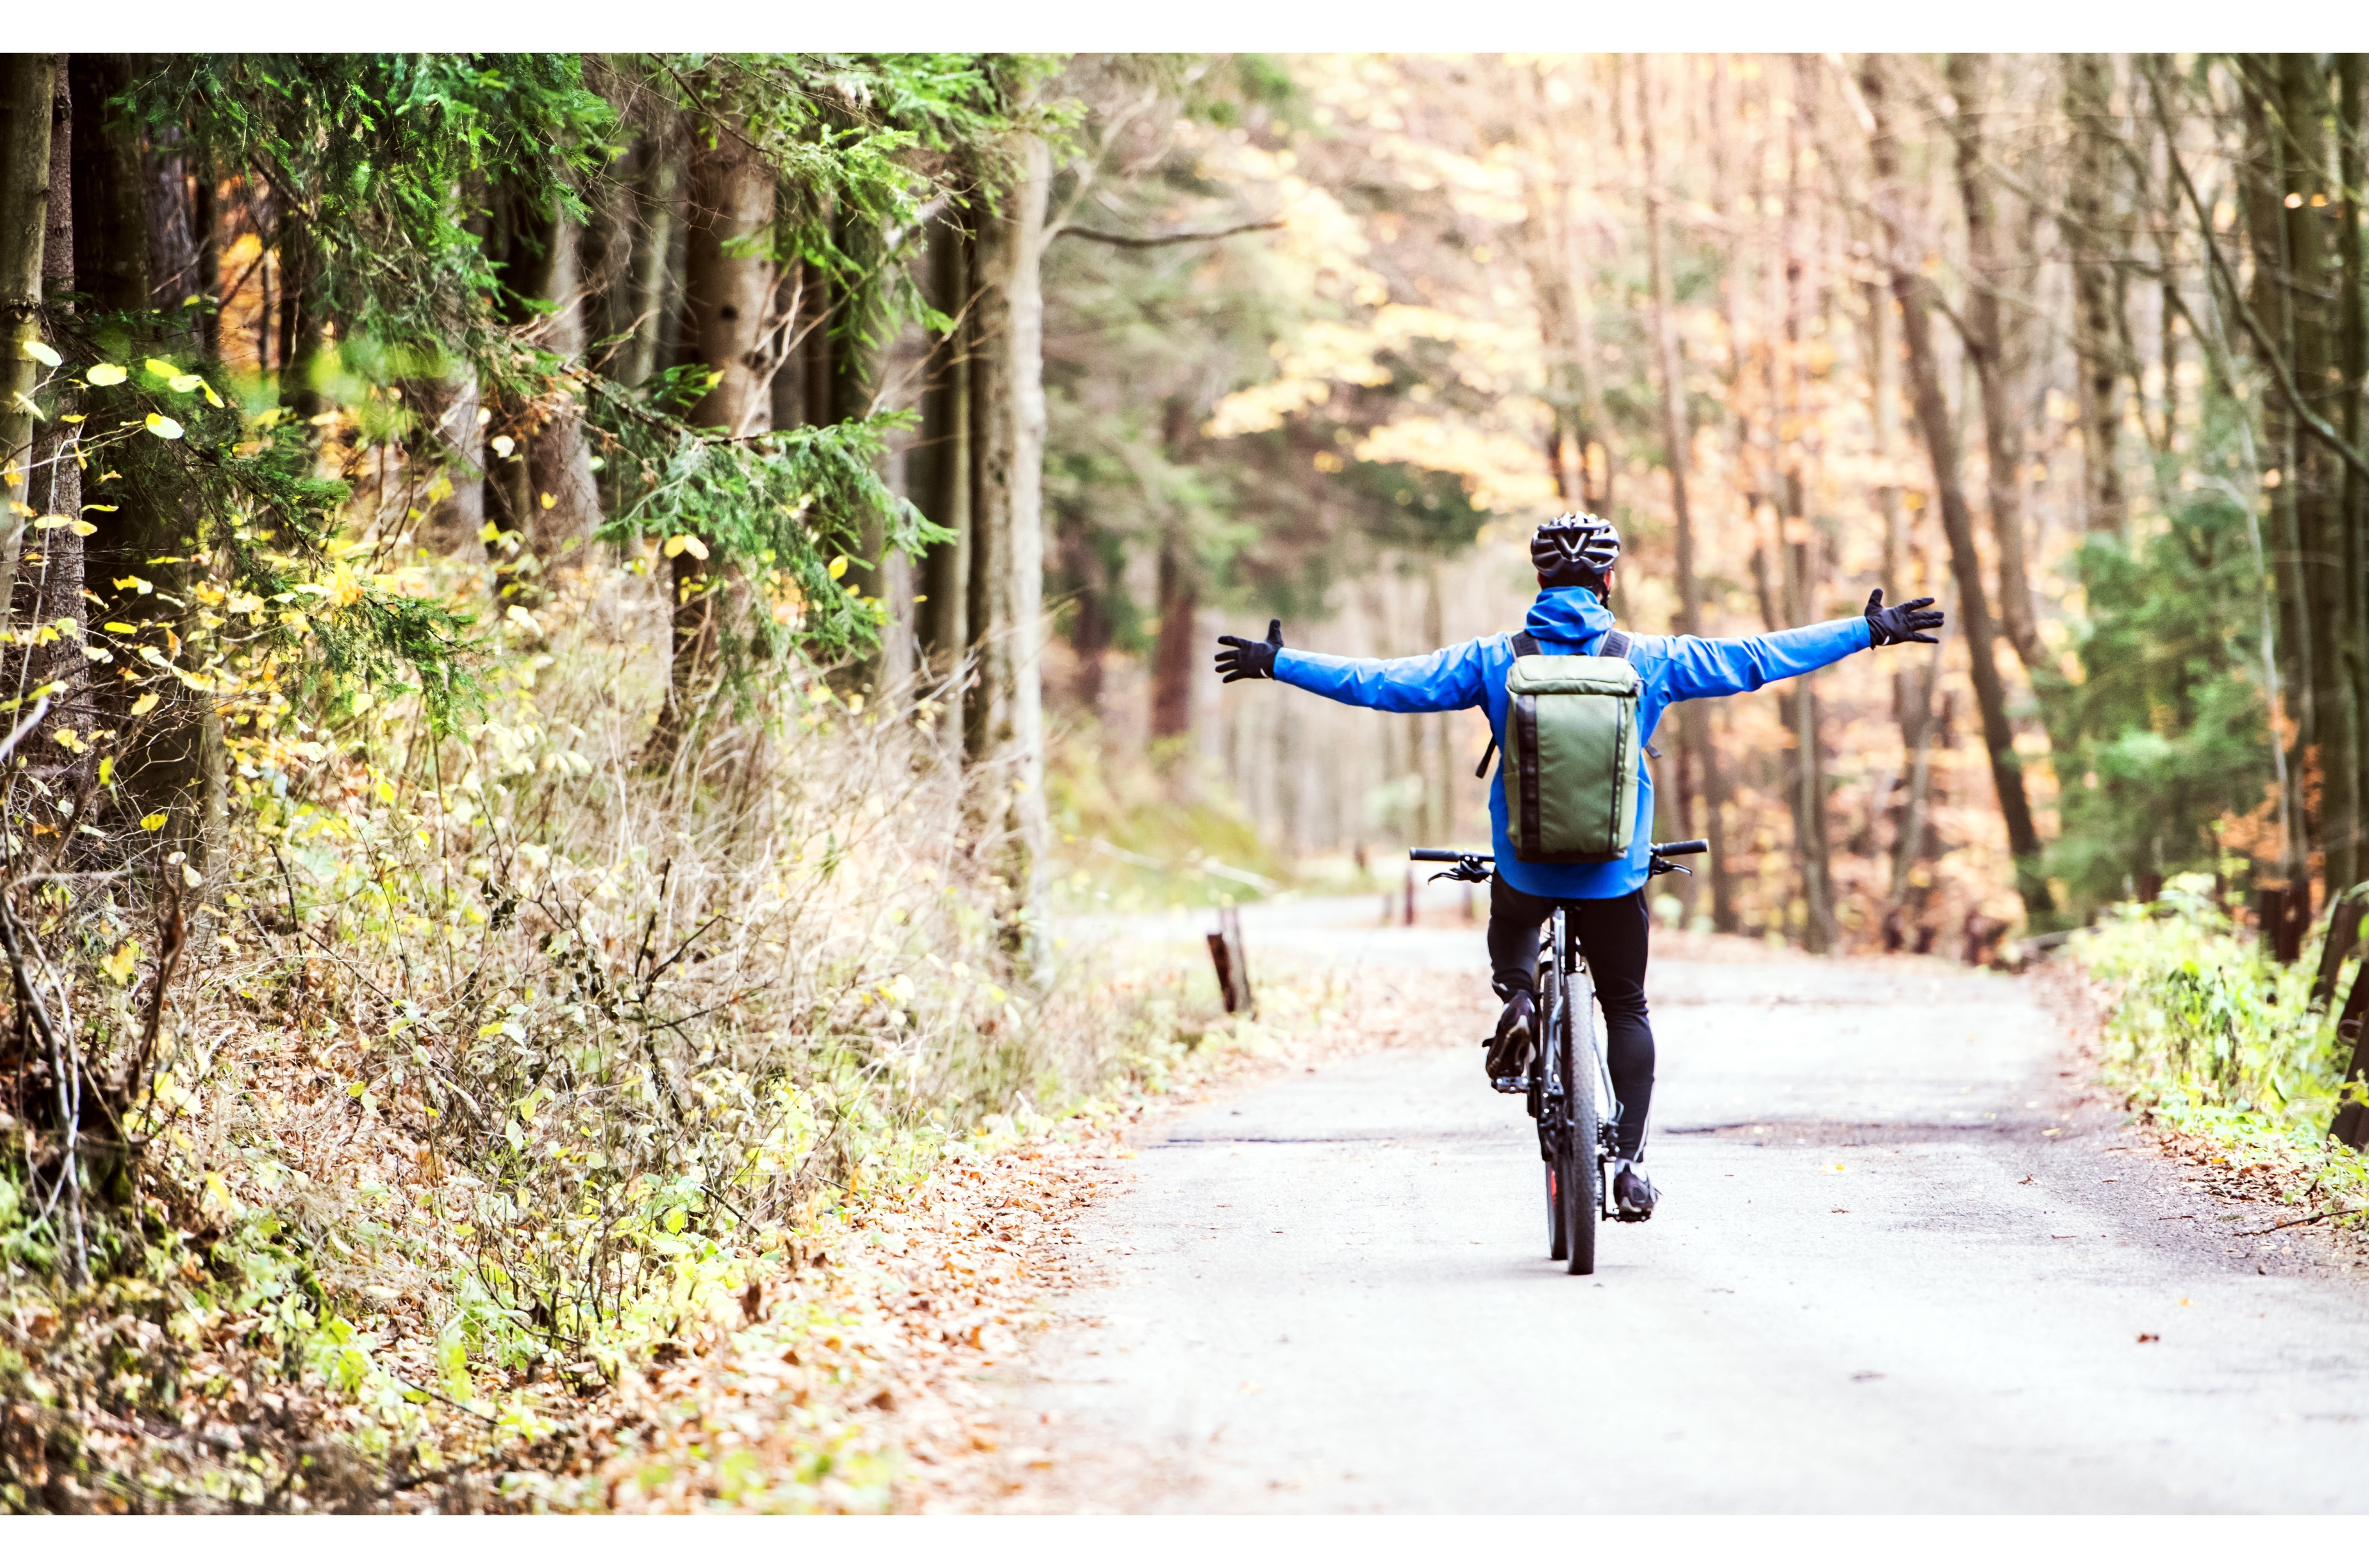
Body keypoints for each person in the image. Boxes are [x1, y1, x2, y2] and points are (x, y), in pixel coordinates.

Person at [1212, 513, 1941, 1221]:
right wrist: (1866, 630)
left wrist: (1279, 662)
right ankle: (1629, 1164)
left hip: (1526, 869)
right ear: (1608, 580)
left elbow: (1384, 683)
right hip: (1615, 874)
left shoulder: (1494, 660)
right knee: (1626, 1007)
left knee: (1512, 918)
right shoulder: (1647, 659)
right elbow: (1756, 657)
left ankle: (1519, 1000)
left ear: (1539, 580)